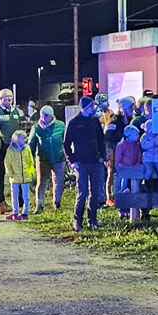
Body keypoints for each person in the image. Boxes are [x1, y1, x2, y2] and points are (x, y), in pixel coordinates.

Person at [64, 95, 108, 231]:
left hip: (95, 161)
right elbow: (66, 144)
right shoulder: (74, 123)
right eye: (90, 107)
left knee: (95, 192)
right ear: (84, 108)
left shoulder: (95, 121)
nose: (93, 109)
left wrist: (102, 157)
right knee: (82, 192)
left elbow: (101, 140)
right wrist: (72, 160)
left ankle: (92, 219)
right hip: (81, 162)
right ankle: (77, 220)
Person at [33, 104, 67, 210]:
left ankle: (57, 203)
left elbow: (65, 141)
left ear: (52, 116)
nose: (43, 118)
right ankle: (39, 204)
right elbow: (31, 143)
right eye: (42, 115)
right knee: (42, 181)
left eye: (46, 115)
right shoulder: (36, 128)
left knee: (58, 181)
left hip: (59, 158)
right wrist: (30, 158)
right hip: (43, 159)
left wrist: (67, 155)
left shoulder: (60, 125)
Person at [7, 128, 34, 220]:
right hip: (14, 177)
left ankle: (25, 212)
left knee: (25, 196)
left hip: (25, 176)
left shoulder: (27, 149)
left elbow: (30, 161)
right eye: (22, 138)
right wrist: (10, 173)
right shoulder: (10, 151)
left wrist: (31, 171)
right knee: (14, 195)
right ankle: (15, 211)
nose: (24, 140)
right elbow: (8, 163)